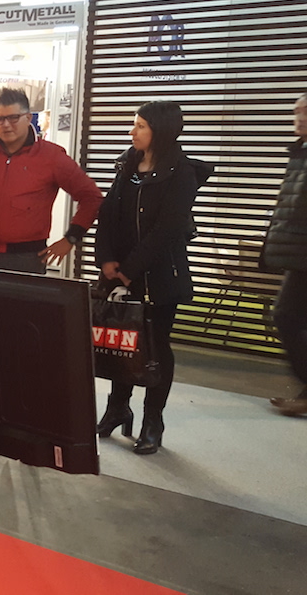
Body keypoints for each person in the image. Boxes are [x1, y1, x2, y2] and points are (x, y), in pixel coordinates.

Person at [94, 101, 212, 455]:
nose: (132, 132)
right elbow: (107, 213)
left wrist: (130, 269)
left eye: (140, 126)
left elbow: (168, 229)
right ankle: (118, 407)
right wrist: (107, 260)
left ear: (160, 131)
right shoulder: (127, 163)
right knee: (122, 343)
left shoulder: (182, 172)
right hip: (120, 271)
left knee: (156, 347)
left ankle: (152, 421)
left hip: (160, 274)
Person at [0, 88, 103, 274]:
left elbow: (91, 197)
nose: (6, 125)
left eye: (13, 118)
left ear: (28, 118)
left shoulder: (52, 156)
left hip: (26, 259)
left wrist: (71, 238)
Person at [266, 94, 307, 416]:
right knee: (288, 317)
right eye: (297, 111)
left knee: (285, 315)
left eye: (306, 112)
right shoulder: (300, 152)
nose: (300, 117)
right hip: (299, 253)